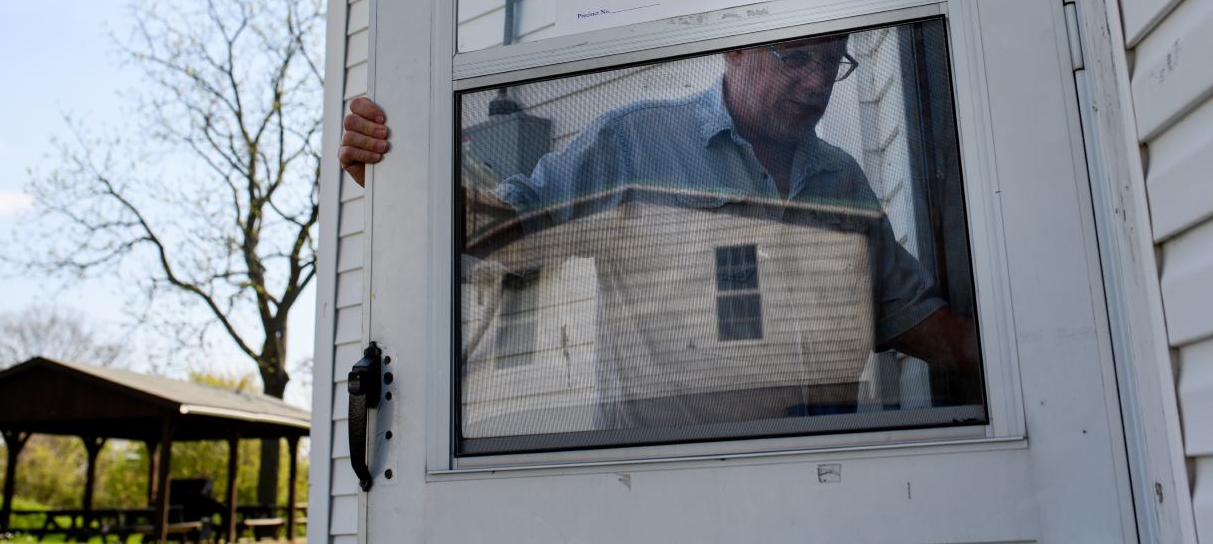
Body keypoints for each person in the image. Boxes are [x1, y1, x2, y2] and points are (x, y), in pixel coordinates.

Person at [340, 34, 980, 432]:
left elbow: (908, 315)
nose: (815, 83)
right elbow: (502, 236)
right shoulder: (634, 143)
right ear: (737, 42)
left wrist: (1022, 361)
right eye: (796, 55)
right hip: (667, 485)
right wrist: (397, 180)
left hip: (822, 485)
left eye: (831, 62)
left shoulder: (840, 181)